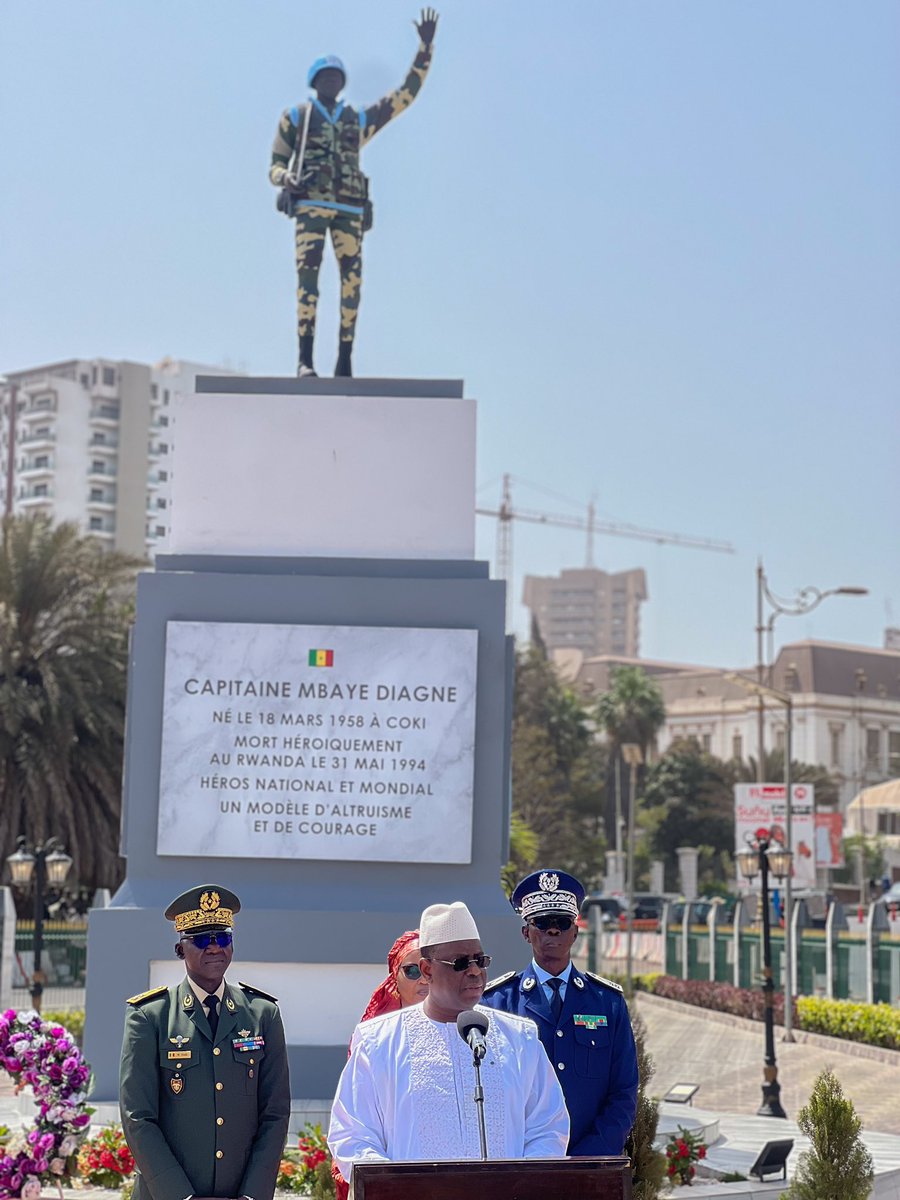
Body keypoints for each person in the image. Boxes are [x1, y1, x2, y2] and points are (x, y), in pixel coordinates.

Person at [328, 901, 569, 1182]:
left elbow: (548, 1127)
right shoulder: (378, 1041)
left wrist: (519, 1184)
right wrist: (395, 1187)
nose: (475, 971)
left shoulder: (519, 1038)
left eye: (480, 961)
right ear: (427, 971)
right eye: (461, 963)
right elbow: (353, 1136)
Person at [269, 9, 439, 379]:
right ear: (314, 82)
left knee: (352, 284)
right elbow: (275, 164)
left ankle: (345, 359)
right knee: (307, 283)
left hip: (348, 210)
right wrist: (287, 179)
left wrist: (425, 49)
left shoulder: (356, 119)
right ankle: (305, 359)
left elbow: (403, 97)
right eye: (324, 76)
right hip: (311, 207)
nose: (331, 80)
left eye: (336, 76)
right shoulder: (297, 117)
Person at [120, 886, 291, 1200]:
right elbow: (137, 1117)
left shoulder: (262, 1013)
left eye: (222, 938)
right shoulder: (150, 1016)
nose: (214, 948)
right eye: (200, 939)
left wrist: (253, 1193)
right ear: (180, 949)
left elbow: (275, 1112)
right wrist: (179, 1195)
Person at [482, 870, 639, 1157]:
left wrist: (590, 1156)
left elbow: (624, 1091)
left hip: (591, 1161)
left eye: (562, 923)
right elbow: (487, 1091)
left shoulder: (607, 1002)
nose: (553, 930)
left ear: (575, 932)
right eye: (542, 922)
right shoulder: (496, 1002)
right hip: (521, 1161)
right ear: (526, 933)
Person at [331, 929, 428, 1200]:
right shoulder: (374, 1040)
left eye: (429, 969)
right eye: (412, 971)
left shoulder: (468, 1031)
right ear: (395, 979)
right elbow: (353, 1122)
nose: (423, 979)